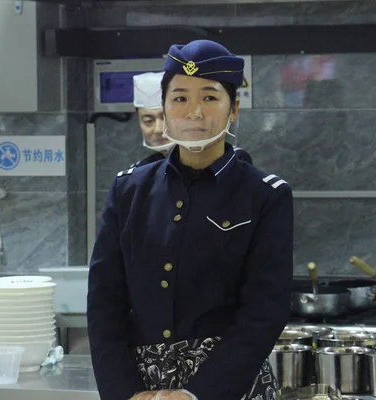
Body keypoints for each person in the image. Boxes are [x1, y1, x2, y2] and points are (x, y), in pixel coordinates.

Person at [87, 39, 294, 400]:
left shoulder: (265, 195)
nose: (194, 112)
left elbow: (264, 312)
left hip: (229, 386)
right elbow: (104, 302)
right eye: (180, 98)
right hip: (140, 388)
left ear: (234, 110)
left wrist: (197, 394)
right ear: (164, 109)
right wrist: (124, 392)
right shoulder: (129, 190)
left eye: (210, 97)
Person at [130, 72, 253, 169]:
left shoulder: (231, 159)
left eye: (164, 117)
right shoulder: (139, 172)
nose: (158, 129)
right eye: (148, 121)